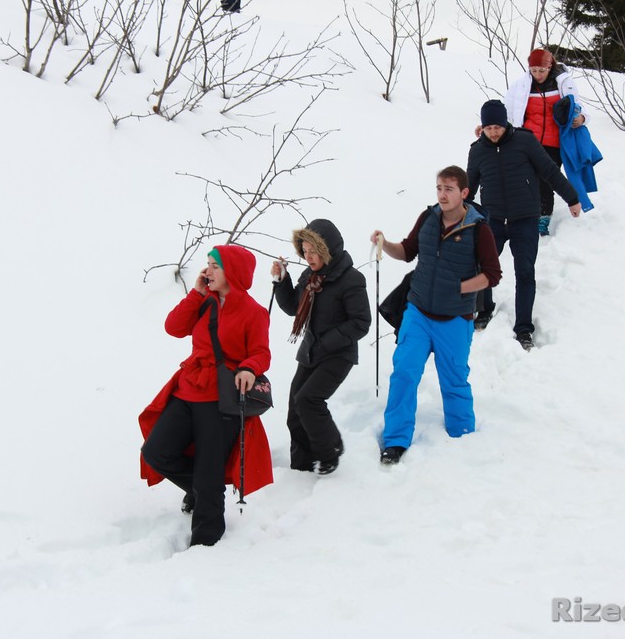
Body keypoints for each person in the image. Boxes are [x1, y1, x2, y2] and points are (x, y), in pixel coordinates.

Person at [139, 244, 272, 548]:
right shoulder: (204, 302)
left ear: (232, 273)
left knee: (209, 472)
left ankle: (205, 543)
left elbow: (261, 353)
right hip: (189, 389)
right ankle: (202, 492)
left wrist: (249, 368)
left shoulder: (254, 313)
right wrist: (195, 294)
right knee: (156, 452)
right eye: (208, 264)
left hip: (221, 398)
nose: (208, 271)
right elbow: (173, 328)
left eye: (215, 266)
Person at [369, 166, 502, 465]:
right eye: (439, 188)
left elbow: (492, 275)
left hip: (455, 319)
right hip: (417, 312)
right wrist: (384, 243)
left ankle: (463, 435)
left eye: (449, 189)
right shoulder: (428, 218)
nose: (442, 194)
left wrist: (459, 288)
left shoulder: (479, 229)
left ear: (464, 193)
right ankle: (395, 440)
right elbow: (407, 251)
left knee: (454, 380)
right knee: (404, 372)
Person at [466, 99, 582, 349]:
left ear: (505, 123)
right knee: (482, 267)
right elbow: (469, 188)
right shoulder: (477, 150)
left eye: (497, 126)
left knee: (525, 272)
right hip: (493, 221)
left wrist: (572, 198)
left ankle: (524, 328)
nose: (494, 132)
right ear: (482, 127)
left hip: (525, 220)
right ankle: (484, 310)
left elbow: (550, 172)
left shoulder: (525, 141)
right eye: (489, 128)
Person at [271, 219, 371, 475]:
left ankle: (330, 452)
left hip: (338, 355)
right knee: (295, 409)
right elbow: (294, 307)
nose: (309, 257)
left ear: (329, 249)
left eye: (314, 251)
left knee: (309, 400)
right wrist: (282, 280)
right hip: (311, 352)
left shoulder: (351, 279)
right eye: (304, 251)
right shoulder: (310, 276)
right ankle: (301, 467)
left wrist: (328, 341)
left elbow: (361, 323)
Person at [498, 48, 587, 237]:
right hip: (528, 140)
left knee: (546, 180)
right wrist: (489, 125)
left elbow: (578, 106)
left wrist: (582, 118)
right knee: (526, 178)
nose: (537, 74)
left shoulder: (564, 83)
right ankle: (524, 215)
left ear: (550, 66)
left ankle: (543, 219)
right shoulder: (521, 85)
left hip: (554, 142)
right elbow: (506, 110)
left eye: (541, 70)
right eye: (534, 70)